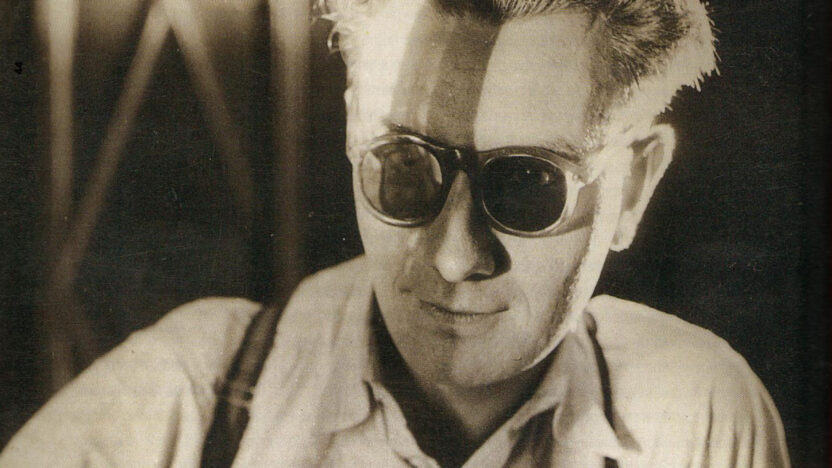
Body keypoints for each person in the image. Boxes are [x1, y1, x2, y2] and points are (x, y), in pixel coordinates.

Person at [1, 0, 791, 466]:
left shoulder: (697, 417)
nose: (455, 255)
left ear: (635, 187)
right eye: (405, 166)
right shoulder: (182, 406)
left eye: (527, 185)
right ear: (353, 136)